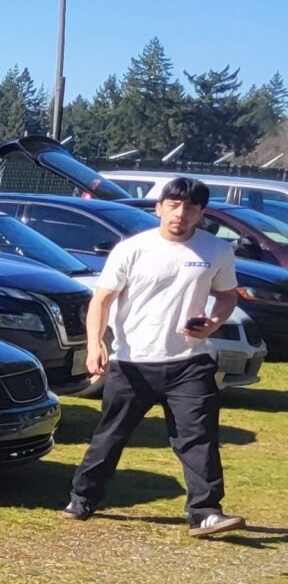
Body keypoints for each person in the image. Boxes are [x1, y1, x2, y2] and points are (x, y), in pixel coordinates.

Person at [64, 176, 246, 537]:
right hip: (133, 363)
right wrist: (95, 344)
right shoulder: (133, 249)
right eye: (174, 205)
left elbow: (227, 296)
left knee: (198, 439)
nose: (181, 213)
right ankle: (82, 498)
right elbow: (101, 300)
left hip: (190, 363)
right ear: (160, 207)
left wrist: (212, 324)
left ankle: (205, 512)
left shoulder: (216, 251)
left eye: (190, 207)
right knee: (111, 436)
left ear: (201, 213)